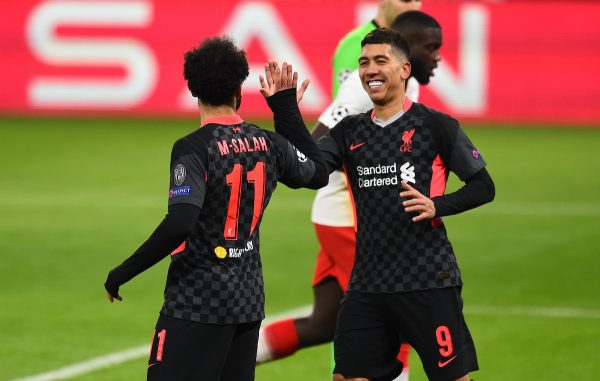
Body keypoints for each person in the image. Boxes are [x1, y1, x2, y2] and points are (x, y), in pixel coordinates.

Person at [104, 36, 328, 381]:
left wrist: (123, 271)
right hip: (248, 301)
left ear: (193, 90)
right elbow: (318, 173)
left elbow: (181, 221)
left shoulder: (192, 148)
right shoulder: (268, 142)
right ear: (239, 89)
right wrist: (285, 110)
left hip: (196, 302)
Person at [276, 28, 495, 381]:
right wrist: (285, 110)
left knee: (452, 377)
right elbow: (309, 172)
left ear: (405, 69)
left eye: (381, 61)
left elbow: (484, 186)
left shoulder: (435, 126)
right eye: (363, 63)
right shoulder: (349, 131)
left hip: (426, 279)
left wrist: (438, 205)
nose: (370, 70)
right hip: (367, 282)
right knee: (346, 376)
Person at [257, 11, 442, 381]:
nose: (437, 56)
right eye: (431, 48)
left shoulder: (407, 87)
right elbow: (318, 140)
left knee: (324, 324)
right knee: (396, 317)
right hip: (348, 218)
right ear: (406, 54)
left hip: (347, 216)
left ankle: (229, 357)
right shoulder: (362, 90)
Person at [332, 0, 422, 97]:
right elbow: (343, 102)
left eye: (417, 0)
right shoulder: (356, 41)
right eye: (406, 0)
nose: (414, 6)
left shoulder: (407, 43)